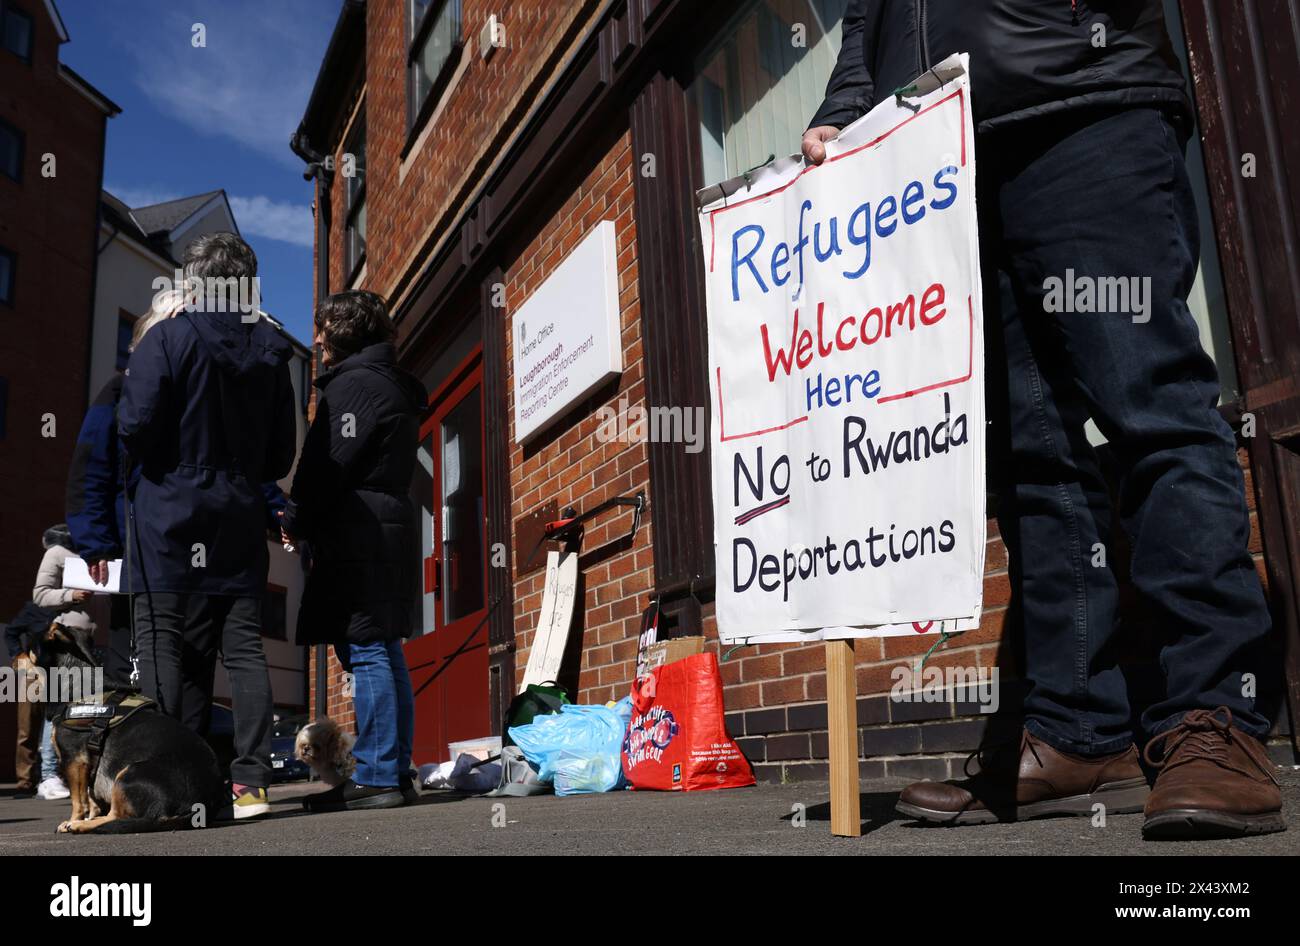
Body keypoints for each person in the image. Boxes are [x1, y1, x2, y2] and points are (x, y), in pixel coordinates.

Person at [803, 1, 1282, 839]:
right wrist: (846, 113)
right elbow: (866, 19)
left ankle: (1218, 718)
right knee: (1030, 452)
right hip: (941, 156)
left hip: (1081, 103)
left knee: (1152, 409)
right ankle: (1078, 731)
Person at [118, 232, 297, 819]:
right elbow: (279, 456)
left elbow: (134, 421)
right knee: (243, 649)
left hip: (169, 510)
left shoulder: (166, 338)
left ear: (192, 280)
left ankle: (174, 776)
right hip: (238, 512)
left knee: (164, 643)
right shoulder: (272, 351)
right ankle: (251, 784)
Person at [67, 290, 290, 732]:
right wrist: (94, 542)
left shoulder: (197, 386)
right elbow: (90, 471)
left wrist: (277, 510)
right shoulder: (118, 391)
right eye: (176, 319)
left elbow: (241, 464)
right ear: (150, 337)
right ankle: (139, 770)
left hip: (188, 544)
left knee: (193, 660)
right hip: (142, 547)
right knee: (137, 658)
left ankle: (183, 766)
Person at [281, 290, 425, 812]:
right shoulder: (385, 380)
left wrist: (295, 518)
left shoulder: (356, 385)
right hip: (384, 526)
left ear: (344, 332)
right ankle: (392, 771)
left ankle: (379, 774)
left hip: (360, 531)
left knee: (367, 648)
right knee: (384, 647)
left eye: (322, 330)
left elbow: (326, 465)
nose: (316, 340)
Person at [28, 523, 92, 800]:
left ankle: (87, 773)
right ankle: (49, 776)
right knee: (59, 708)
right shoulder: (58, 552)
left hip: (103, 641)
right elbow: (40, 594)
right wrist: (70, 595)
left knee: (94, 710)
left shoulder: (108, 549)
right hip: (70, 640)